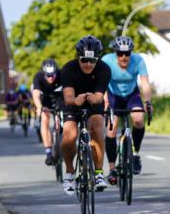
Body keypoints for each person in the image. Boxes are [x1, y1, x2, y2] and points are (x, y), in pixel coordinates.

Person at [59, 36, 110, 194]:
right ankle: (69, 173)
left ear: (98, 59)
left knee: (97, 127)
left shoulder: (104, 69)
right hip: (73, 102)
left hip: (93, 102)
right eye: (84, 60)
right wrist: (77, 101)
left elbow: (99, 97)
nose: (88, 64)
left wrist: (92, 98)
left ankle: (99, 173)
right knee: (69, 134)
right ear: (78, 57)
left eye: (92, 60)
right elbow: (68, 98)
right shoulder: (68, 69)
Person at [102, 35, 153, 185]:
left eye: (127, 53)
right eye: (120, 53)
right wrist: (105, 101)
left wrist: (148, 101)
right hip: (113, 96)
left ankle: (135, 154)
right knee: (111, 129)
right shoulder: (107, 61)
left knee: (138, 120)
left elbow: (145, 83)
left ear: (131, 52)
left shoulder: (138, 61)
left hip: (131, 95)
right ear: (115, 53)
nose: (124, 57)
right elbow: (102, 83)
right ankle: (112, 168)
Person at [32, 58, 63, 166]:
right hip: (46, 100)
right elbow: (35, 95)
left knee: (62, 119)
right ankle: (49, 153)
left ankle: (62, 140)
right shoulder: (38, 77)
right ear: (44, 73)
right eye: (48, 75)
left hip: (60, 99)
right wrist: (39, 107)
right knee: (44, 120)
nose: (51, 77)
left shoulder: (62, 74)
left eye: (53, 75)